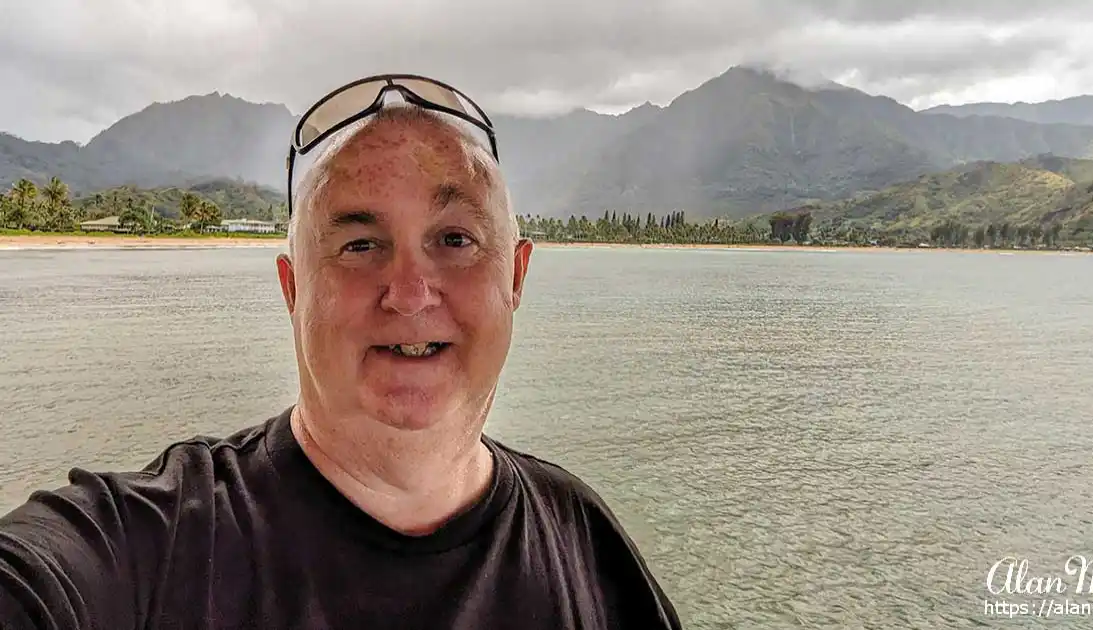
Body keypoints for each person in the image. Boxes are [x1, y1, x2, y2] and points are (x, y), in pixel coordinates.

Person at [0, 74, 682, 629]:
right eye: (360, 245)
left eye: (455, 239)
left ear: (516, 277)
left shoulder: (588, 549)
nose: (411, 294)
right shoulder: (153, 547)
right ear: (292, 288)